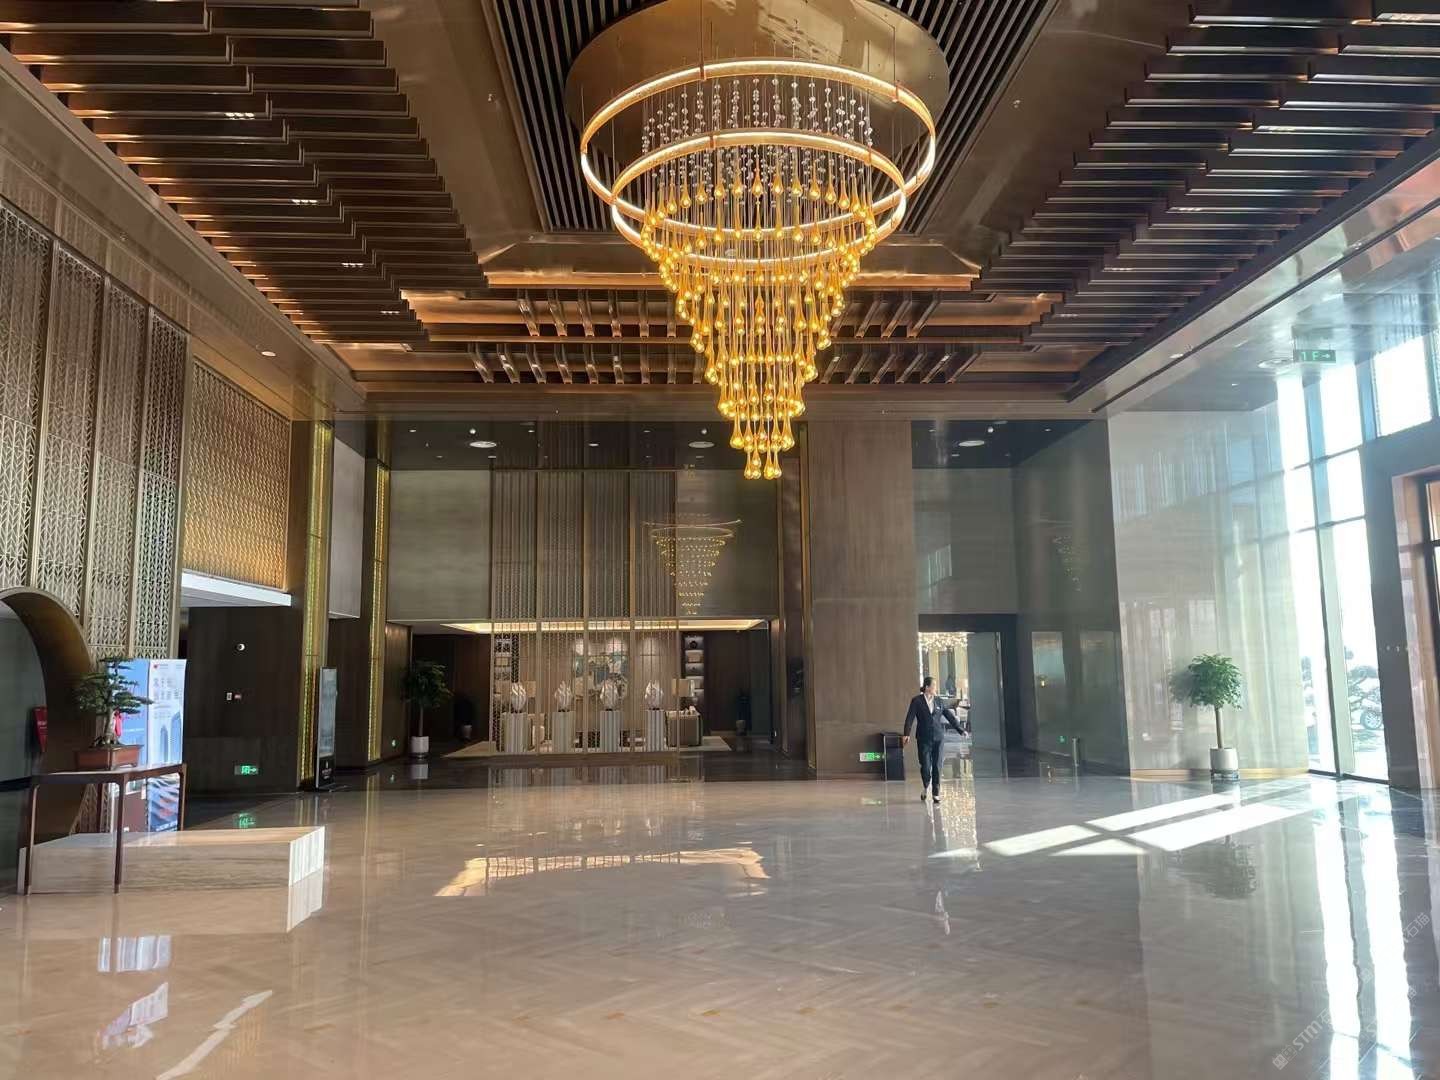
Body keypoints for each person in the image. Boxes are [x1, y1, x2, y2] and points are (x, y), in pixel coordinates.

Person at [903, 676, 965, 803]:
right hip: (923, 738)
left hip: (938, 738)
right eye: (934, 685)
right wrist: (906, 734)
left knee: (937, 766)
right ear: (927, 687)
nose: (936, 688)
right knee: (925, 766)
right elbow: (910, 717)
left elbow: (949, 716)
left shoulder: (939, 701)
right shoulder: (917, 701)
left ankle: (936, 793)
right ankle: (926, 786)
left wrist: (960, 730)